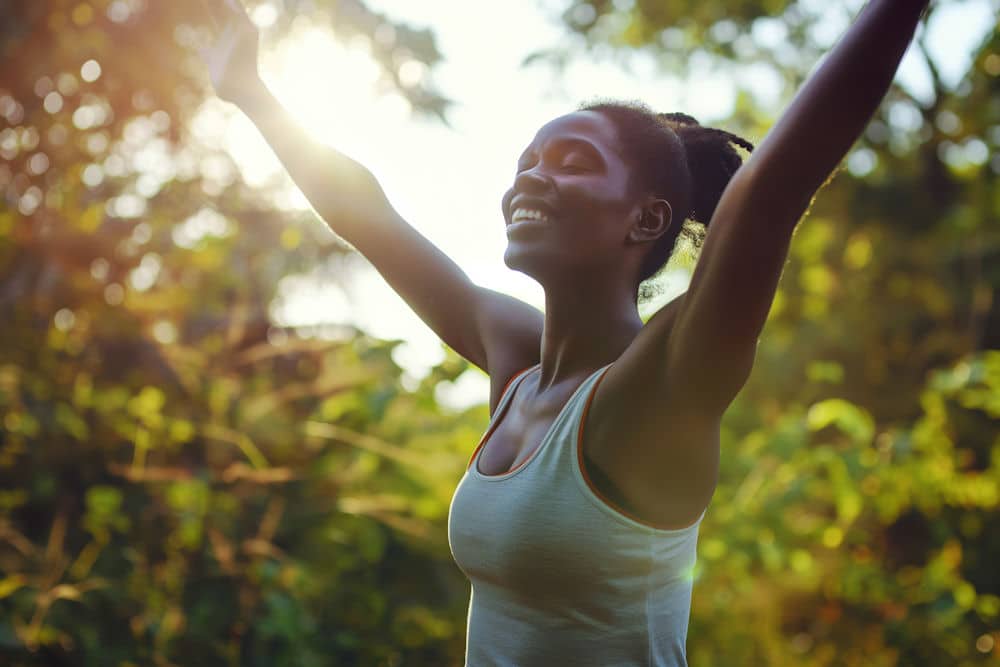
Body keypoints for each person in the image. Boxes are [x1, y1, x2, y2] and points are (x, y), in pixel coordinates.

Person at [198, 0, 930, 664]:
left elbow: (768, 193)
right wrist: (254, 96)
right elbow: (370, 218)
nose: (531, 179)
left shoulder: (663, 386)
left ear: (645, 219)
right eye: (527, 163)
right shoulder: (515, 361)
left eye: (573, 162)